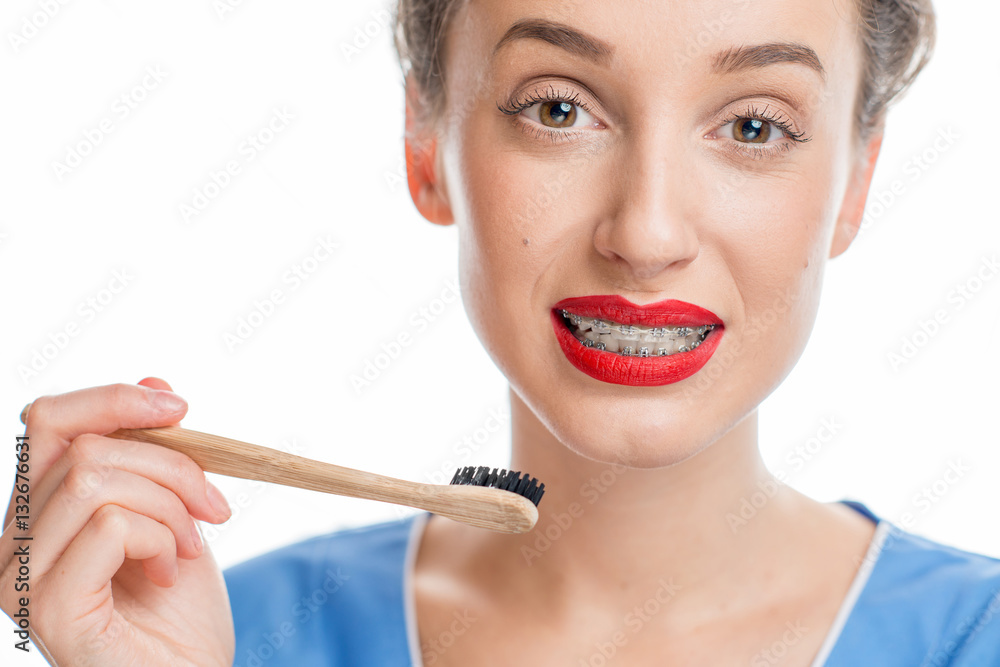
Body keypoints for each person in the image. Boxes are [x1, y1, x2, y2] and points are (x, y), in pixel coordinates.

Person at [3, 0, 998, 665]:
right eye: (558, 107)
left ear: (855, 181)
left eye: (752, 127)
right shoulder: (222, 635)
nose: (646, 233)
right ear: (424, 145)